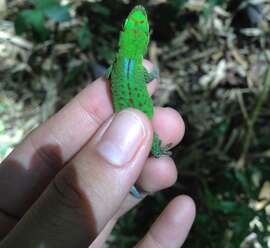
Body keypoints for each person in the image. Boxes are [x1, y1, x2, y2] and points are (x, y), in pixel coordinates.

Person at [0, 61, 195, 247]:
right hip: (135, 127)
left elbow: (107, 74)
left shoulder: (118, 64)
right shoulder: (134, 66)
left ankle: (148, 162)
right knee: (155, 153)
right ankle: (154, 155)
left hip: (131, 123)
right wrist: (151, 75)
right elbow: (137, 76)